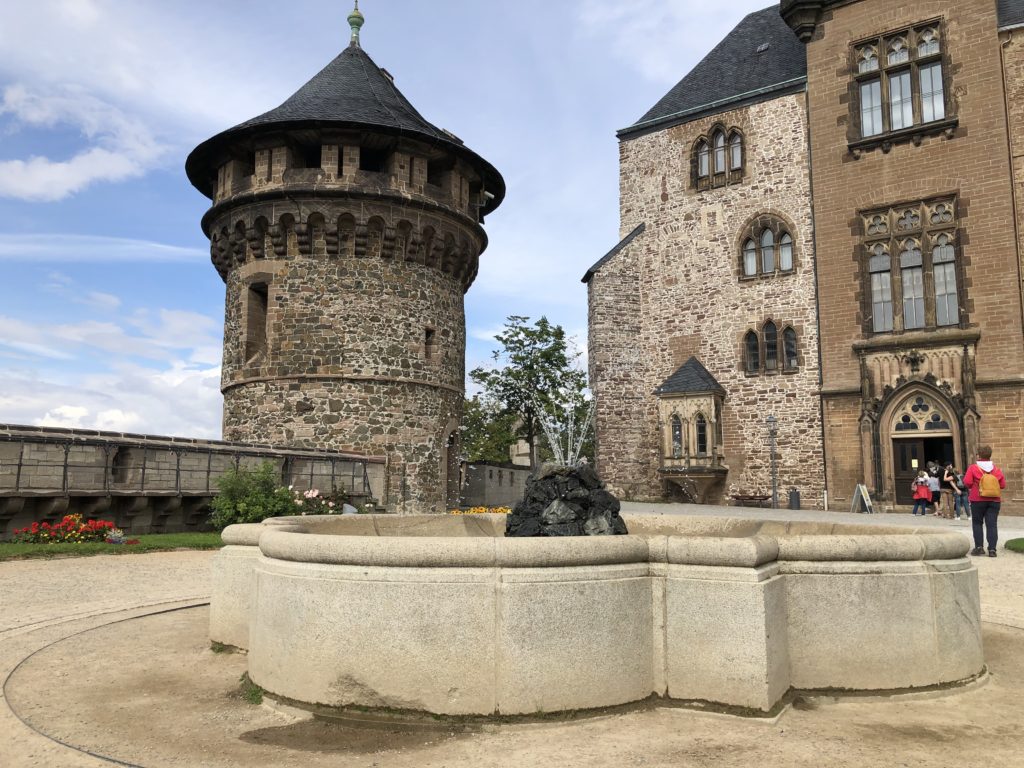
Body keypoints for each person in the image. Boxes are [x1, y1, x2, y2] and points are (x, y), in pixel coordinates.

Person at [962, 446, 1006, 557]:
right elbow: (1002, 485)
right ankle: (992, 550)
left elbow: (967, 482)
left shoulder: (973, 468)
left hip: (978, 499)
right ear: (989, 455)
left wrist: (976, 485)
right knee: (992, 525)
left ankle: (979, 547)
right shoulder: (996, 469)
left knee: (977, 523)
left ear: (979, 455)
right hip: (994, 500)